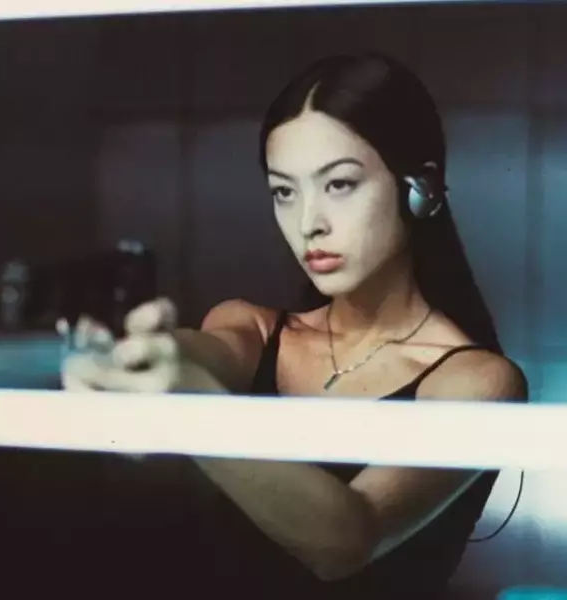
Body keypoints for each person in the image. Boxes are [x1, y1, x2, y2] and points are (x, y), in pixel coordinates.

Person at [62, 52, 529, 599]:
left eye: (339, 184)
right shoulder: (251, 329)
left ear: (419, 187)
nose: (309, 223)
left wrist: (190, 397)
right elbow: (196, 351)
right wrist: (131, 351)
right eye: (285, 192)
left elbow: (346, 542)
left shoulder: (477, 382)